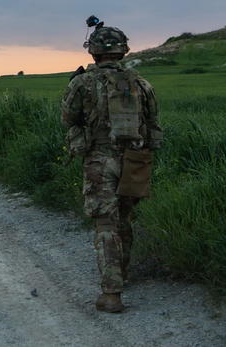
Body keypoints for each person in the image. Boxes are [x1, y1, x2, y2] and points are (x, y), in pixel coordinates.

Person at [61, 18, 162, 313]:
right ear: (123, 51)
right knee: (124, 219)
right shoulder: (141, 84)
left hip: (100, 159)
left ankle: (112, 293)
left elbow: (68, 118)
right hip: (135, 158)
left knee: (105, 223)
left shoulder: (82, 82)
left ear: (93, 52)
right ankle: (123, 275)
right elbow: (154, 124)